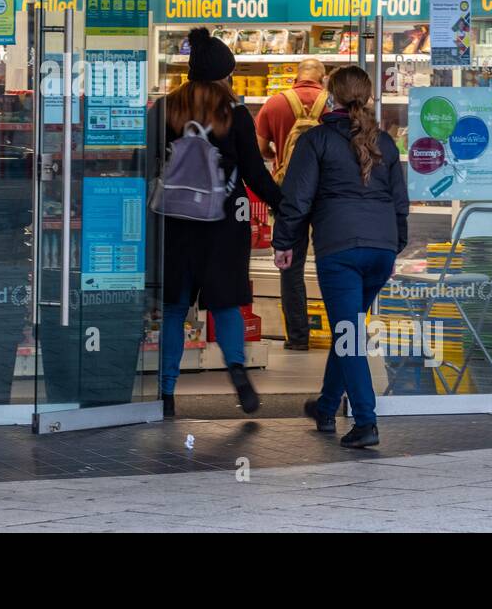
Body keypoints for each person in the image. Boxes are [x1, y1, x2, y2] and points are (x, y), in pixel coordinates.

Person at [149, 27, 284, 417]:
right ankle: (237, 369)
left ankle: (166, 393)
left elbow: (146, 161)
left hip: (174, 222)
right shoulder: (234, 113)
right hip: (223, 224)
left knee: (174, 309)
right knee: (226, 305)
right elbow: (255, 174)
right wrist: (286, 207)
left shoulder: (165, 109)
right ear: (223, 75)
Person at [272, 65, 408, 449]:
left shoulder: (316, 140)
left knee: (349, 335)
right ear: (367, 97)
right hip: (380, 251)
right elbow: (400, 203)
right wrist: (394, 244)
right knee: (347, 329)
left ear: (330, 97)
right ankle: (326, 406)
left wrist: (283, 243)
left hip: (341, 250)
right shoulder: (384, 142)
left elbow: (296, 200)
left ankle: (366, 421)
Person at [256, 58, 327, 351]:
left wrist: (278, 157)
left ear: (296, 77)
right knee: (330, 262)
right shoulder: (331, 103)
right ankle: (343, 333)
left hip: (288, 192)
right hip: (327, 193)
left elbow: (259, 149)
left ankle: (298, 337)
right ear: (323, 78)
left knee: (291, 265)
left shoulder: (274, 104)